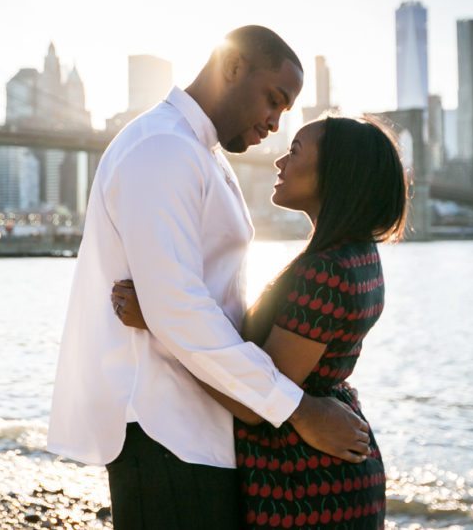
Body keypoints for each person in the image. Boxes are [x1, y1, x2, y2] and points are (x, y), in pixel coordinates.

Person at [48, 26, 372, 530]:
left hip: (200, 425)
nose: (274, 122)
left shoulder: (199, 152)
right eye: (273, 99)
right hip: (165, 427)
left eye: (285, 112)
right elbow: (177, 307)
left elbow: (198, 303)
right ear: (233, 67)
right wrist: (300, 410)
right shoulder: (163, 149)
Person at [112, 115, 408, 528]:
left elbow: (257, 395)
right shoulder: (356, 256)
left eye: (296, 150)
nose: (279, 161)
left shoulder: (326, 272)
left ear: (335, 172)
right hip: (328, 473)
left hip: (307, 486)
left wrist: (159, 322)